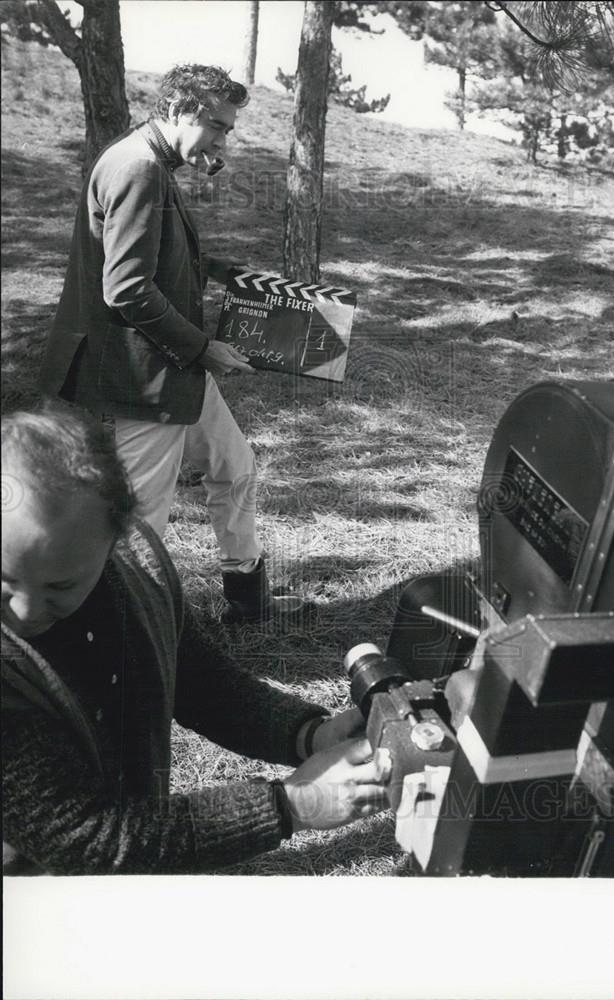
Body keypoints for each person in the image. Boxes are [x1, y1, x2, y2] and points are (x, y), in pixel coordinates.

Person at [1, 405, 391, 875]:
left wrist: (310, 734)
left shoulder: (137, 572)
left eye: (60, 587)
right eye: (5, 580)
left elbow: (202, 684)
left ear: (114, 542)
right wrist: (293, 805)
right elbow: (91, 839)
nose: (24, 610)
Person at [38, 63, 289, 624]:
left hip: (168, 368)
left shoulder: (146, 158)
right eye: (217, 127)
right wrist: (204, 349)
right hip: (142, 374)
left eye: (228, 130)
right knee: (144, 519)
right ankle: (124, 638)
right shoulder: (141, 168)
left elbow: (146, 259)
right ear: (177, 111)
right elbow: (127, 288)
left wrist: (216, 268)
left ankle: (246, 603)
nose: (223, 141)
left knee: (234, 465)